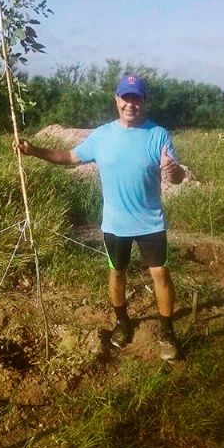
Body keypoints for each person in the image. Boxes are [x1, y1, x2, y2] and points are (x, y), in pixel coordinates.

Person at [14, 74, 185, 361]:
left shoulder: (158, 135)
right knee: (117, 273)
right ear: (117, 100)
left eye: (137, 98)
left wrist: (173, 172)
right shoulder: (103, 135)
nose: (131, 104)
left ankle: (167, 331)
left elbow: (178, 177)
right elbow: (70, 157)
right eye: (126, 98)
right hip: (115, 224)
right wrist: (34, 152)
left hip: (150, 222)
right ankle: (122, 324)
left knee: (160, 274)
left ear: (144, 102)